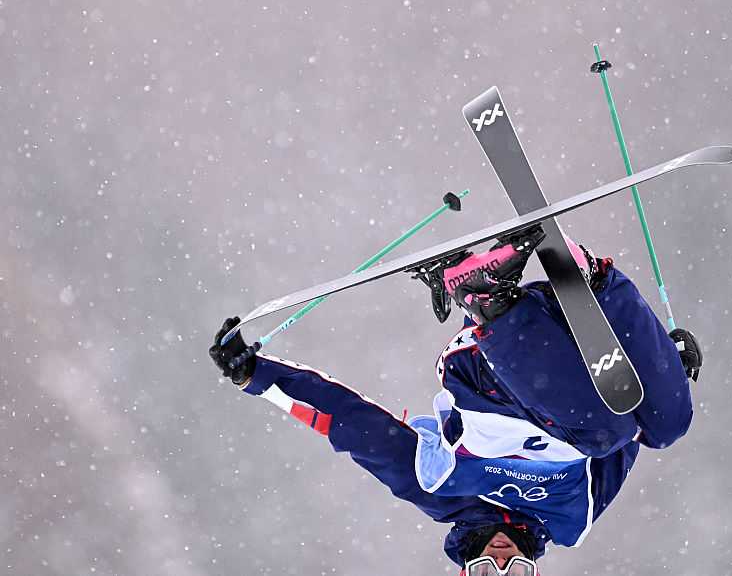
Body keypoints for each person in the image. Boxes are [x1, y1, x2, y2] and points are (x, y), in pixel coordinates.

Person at [209, 226, 702, 573]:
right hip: (564, 359)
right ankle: (592, 279)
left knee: (603, 431)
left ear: (468, 568)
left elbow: (350, 425)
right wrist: (664, 364)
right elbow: (633, 430)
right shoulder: (575, 519)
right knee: (666, 425)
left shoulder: (439, 491)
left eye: (489, 573)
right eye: (516, 574)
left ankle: (486, 300)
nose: (504, 560)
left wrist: (256, 376)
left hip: (486, 371)